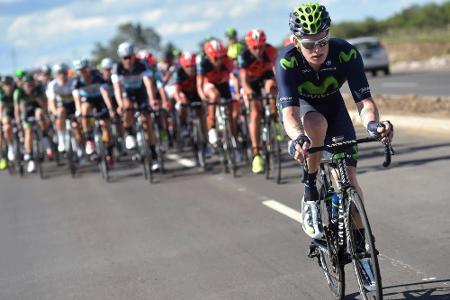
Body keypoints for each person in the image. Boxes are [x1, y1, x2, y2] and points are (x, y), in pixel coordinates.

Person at [275, 2, 394, 240]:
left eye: (322, 41)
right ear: (296, 42)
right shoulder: (287, 61)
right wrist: (298, 137)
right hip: (302, 106)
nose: (317, 49)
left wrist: (373, 125)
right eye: (309, 44)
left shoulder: (346, 53)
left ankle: (361, 249)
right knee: (316, 125)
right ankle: (310, 190)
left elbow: (364, 102)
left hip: (333, 105)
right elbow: (290, 113)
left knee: (349, 179)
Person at [111, 42, 159, 171]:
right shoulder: (117, 68)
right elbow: (117, 89)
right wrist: (120, 104)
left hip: (141, 91)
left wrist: (152, 100)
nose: (128, 60)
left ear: (134, 56)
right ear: (121, 58)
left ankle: (154, 155)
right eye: (124, 58)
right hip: (127, 92)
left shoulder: (142, 64)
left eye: (130, 57)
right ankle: (129, 133)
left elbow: (148, 84)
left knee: (147, 122)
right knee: (127, 106)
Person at [238, 29, 279, 174]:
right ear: (249, 46)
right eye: (254, 47)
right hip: (251, 82)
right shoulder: (243, 55)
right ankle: (256, 154)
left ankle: (275, 118)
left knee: (272, 86)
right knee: (255, 113)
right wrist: (248, 91)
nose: (258, 50)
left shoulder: (270, 50)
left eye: (261, 46)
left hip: (266, 76)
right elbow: (243, 80)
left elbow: (276, 71)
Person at [197, 39, 240, 145]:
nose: (219, 61)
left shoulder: (227, 61)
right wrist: (203, 97)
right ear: (209, 56)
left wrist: (237, 92)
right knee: (214, 95)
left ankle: (234, 137)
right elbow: (199, 84)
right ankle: (212, 128)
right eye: (216, 58)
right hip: (209, 84)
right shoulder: (203, 63)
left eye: (221, 57)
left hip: (223, 84)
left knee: (231, 113)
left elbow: (234, 78)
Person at [72, 58, 113, 165]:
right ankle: (89, 140)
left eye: (85, 70)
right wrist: (78, 111)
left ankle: (109, 152)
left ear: (88, 68)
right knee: (84, 109)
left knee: (105, 126)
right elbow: (77, 98)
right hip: (88, 100)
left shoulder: (97, 76)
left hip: (99, 99)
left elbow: (105, 93)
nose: (83, 73)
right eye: (80, 71)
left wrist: (110, 108)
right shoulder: (76, 81)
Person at [13, 75, 51, 172]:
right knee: (28, 132)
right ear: (23, 85)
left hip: (37, 109)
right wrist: (18, 121)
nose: (29, 87)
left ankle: (44, 135)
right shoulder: (19, 92)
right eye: (27, 85)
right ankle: (30, 158)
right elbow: (17, 108)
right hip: (25, 111)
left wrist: (37, 98)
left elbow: (44, 106)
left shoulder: (38, 90)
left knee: (40, 114)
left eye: (31, 85)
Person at [47, 63, 83, 155]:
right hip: (61, 106)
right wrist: (55, 112)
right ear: (55, 75)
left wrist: (78, 111)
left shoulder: (73, 82)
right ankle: (61, 137)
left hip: (73, 105)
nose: (61, 75)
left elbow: (77, 98)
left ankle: (79, 147)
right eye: (59, 73)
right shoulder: (52, 85)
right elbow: (51, 101)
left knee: (76, 128)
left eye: (63, 73)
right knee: (60, 112)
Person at [173, 52, 208, 143]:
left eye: (193, 66)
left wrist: (204, 99)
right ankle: (184, 124)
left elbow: (202, 86)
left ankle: (205, 142)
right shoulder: (179, 72)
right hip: (184, 94)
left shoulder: (199, 70)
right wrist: (179, 101)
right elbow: (177, 91)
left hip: (197, 93)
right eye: (187, 66)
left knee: (202, 116)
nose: (191, 69)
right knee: (183, 102)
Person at [0, 76, 18, 170]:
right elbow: (1, 108)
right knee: (5, 128)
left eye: (9, 85)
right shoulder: (2, 94)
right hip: (7, 112)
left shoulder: (17, 90)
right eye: (5, 85)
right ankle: (4, 154)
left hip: (18, 110)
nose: (8, 87)